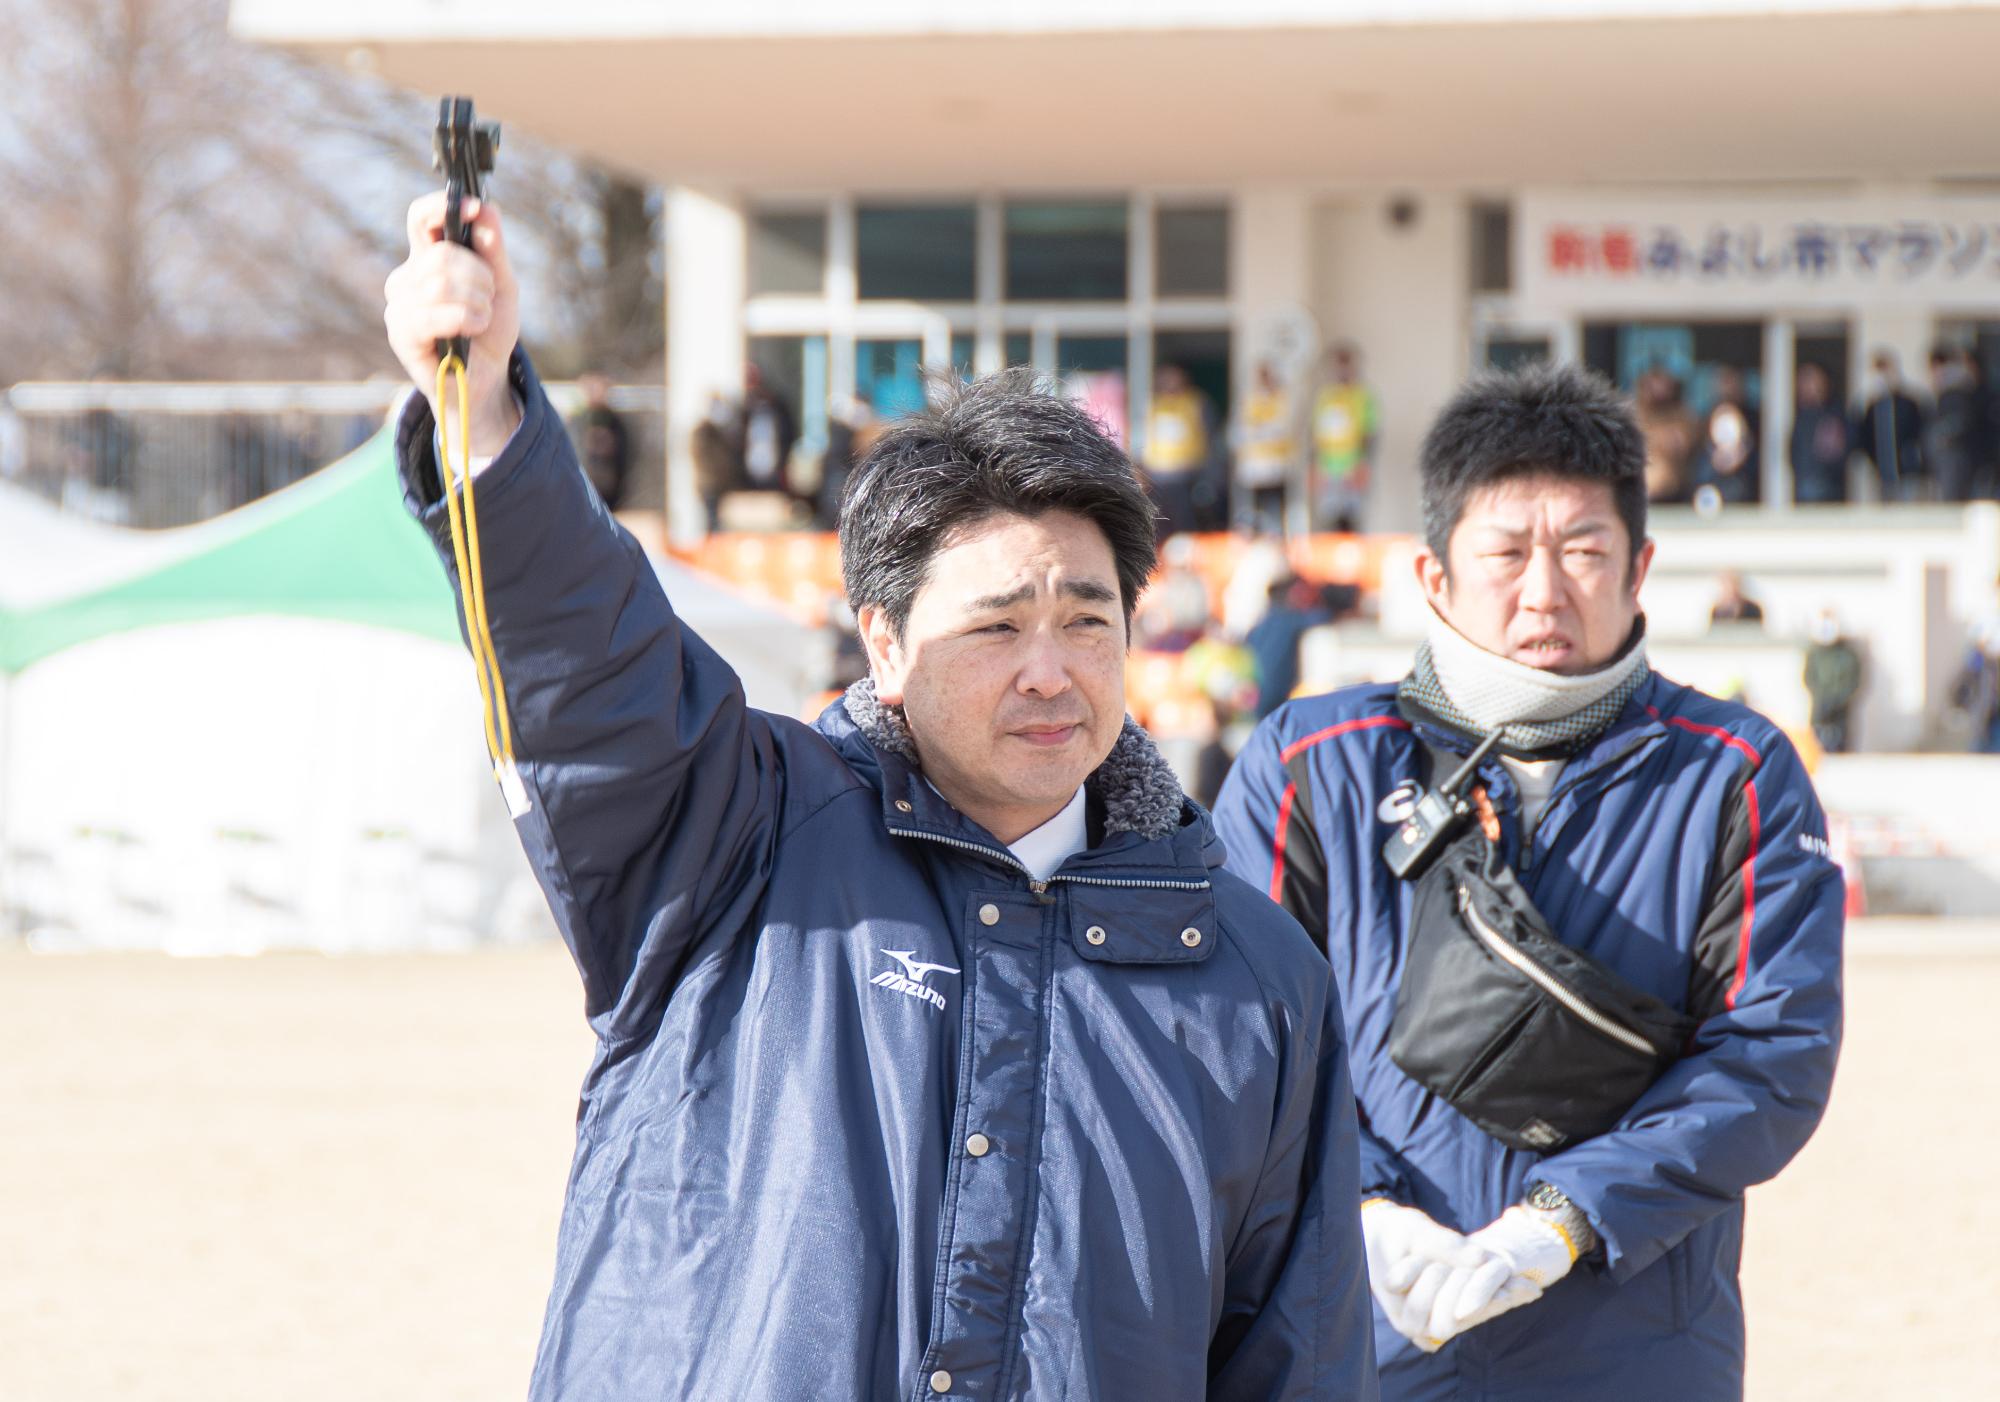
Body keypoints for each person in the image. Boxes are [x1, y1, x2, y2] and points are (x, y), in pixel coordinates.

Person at [381, 191, 1378, 1402]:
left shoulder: (1256, 970)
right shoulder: (735, 835)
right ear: (884, 642)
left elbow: (1297, 1351)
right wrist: (484, 419)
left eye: (1085, 620)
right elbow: (591, 669)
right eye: (996, 626)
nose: (1050, 671)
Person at [1213, 363, 1844, 1400]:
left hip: (1635, 1347)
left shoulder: (1735, 770)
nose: (1543, 590)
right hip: (1353, 1335)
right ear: (1430, 575)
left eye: (1583, 550)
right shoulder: (1308, 761)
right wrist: (1360, 1210)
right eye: (1504, 552)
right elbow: (1239, 1042)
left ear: (1638, 567)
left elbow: (1771, 1055)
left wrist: (1563, 1220)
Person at [1141, 362, 1214, 537]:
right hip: (1158, 471)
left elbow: (1208, 432)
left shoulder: (1195, 402)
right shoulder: (1155, 405)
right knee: (1160, 515)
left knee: (1184, 515)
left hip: (1187, 471)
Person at [1311, 342, 1377, 531]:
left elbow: (1369, 433)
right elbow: (1317, 435)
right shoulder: (1325, 396)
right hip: (1329, 469)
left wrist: (1362, 465)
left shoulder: (1363, 396)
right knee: (1330, 521)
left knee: (1352, 520)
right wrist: (1317, 466)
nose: (1342, 369)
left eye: (1346, 363)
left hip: (1352, 467)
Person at [1235, 361, 1298, 533]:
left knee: (1276, 510)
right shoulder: (1251, 400)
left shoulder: (1281, 399)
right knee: (1255, 510)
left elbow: (1282, 429)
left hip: (1277, 464)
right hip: (1255, 465)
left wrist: (1261, 430)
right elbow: (1243, 431)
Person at [1856, 350, 1926, 501]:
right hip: (1881, 473)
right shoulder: (1873, 407)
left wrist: (1913, 457)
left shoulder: (1909, 404)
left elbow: (1919, 431)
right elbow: (1866, 437)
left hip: (1908, 471)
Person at [1691, 366, 1760, 506]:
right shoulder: (1705, 419)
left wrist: (1741, 456)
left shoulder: (1755, 421)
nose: (1727, 386)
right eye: (1723, 381)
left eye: (1732, 380)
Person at [567, 372, 632, 508]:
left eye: (598, 387)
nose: (595, 392)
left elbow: (625, 457)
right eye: (591, 387)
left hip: (607, 493)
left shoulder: (615, 422)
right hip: (579, 491)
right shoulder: (576, 420)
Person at [1802, 610, 1863, 754]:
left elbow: (1853, 680)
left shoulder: (1847, 654)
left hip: (1840, 709)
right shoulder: (1814, 653)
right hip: (1820, 707)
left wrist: (1838, 699)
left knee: (1840, 742)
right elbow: (1809, 677)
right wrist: (1821, 697)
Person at [1788, 362, 1850, 504]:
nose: (1805, 386)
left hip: (1827, 487)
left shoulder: (1834, 414)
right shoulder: (1800, 416)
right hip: (1803, 485)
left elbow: (1839, 451)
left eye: (1810, 380)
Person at [1633, 366, 1696, 505]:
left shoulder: (1680, 414)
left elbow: (1682, 443)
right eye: (1653, 385)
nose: (1659, 390)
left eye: (1664, 385)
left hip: (1675, 491)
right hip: (1644, 492)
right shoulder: (1635, 414)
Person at [1925, 345, 1979, 503]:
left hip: (1953, 455)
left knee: (1953, 499)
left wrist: (1939, 437)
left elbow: (1958, 422)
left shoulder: (1955, 392)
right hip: (1948, 456)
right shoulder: (1950, 392)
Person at [737, 362, 798, 500]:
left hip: (773, 471)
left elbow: (788, 435)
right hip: (750, 473)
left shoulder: (776, 407)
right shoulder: (745, 410)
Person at [690, 391, 740, 534]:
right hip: (709, 485)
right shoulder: (703, 432)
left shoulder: (721, 432)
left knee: (720, 524)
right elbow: (705, 459)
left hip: (721, 485)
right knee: (711, 524)